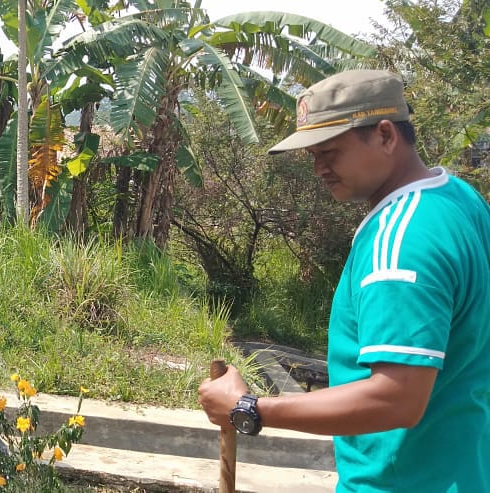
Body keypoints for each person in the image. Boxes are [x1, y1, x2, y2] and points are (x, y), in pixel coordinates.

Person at [198, 69, 490, 492]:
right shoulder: (459, 199)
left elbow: (397, 398)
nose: (319, 168)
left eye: (330, 152)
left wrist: (248, 407)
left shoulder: (400, 242)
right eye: (313, 155)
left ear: (386, 135)